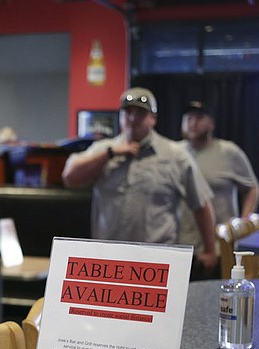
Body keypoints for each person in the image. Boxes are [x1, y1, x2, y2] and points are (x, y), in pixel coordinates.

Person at [62, 87, 218, 274]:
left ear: (153, 118)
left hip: (157, 262)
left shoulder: (175, 155)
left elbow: (201, 205)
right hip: (108, 261)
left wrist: (210, 250)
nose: (133, 119)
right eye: (128, 112)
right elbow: (69, 177)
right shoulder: (103, 149)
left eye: (140, 113)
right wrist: (110, 153)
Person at [177, 100, 259, 278]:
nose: (193, 123)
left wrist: (244, 221)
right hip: (183, 245)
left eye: (200, 118)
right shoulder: (175, 153)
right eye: (189, 118)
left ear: (211, 123)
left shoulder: (229, 152)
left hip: (219, 245)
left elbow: (252, 188)